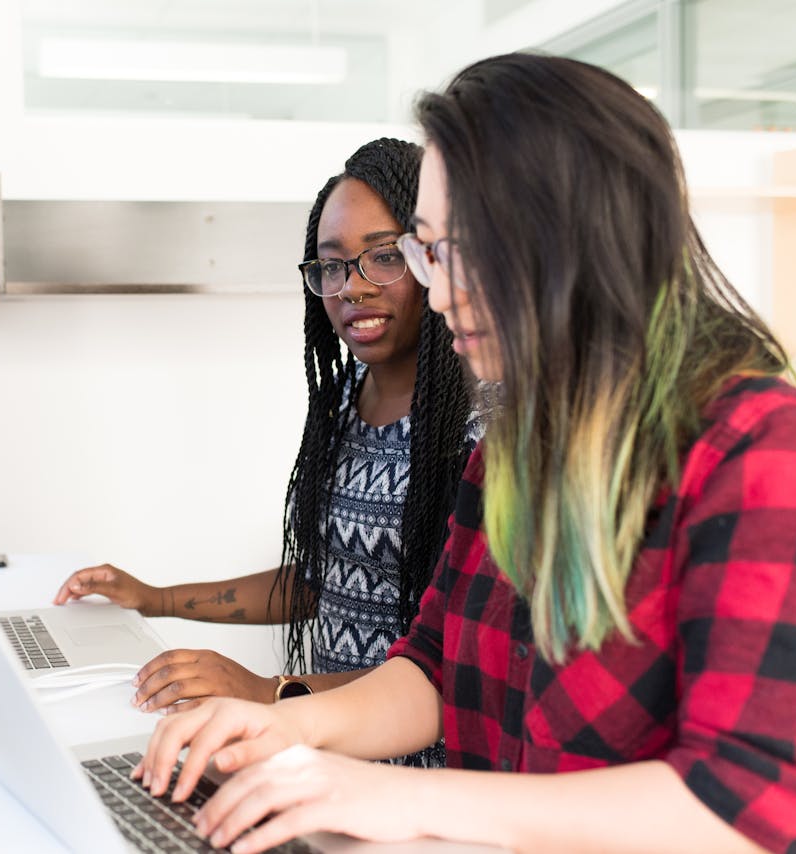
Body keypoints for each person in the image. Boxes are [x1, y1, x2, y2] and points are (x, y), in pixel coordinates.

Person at [134, 53, 796, 854]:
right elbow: (429, 663)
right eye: (427, 251)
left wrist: (398, 797)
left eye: (454, 249)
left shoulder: (768, 450)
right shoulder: (516, 446)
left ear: (570, 234)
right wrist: (281, 726)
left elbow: (739, 804)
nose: (437, 288)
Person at [53, 139, 478, 758]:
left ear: (431, 258)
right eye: (331, 265)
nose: (352, 288)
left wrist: (269, 692)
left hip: (426, 773)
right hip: (325, 747)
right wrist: (156, 599)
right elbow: (319, 582)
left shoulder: (477, 429)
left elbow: (445, 664)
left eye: (383, 257)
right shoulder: (341, 402)